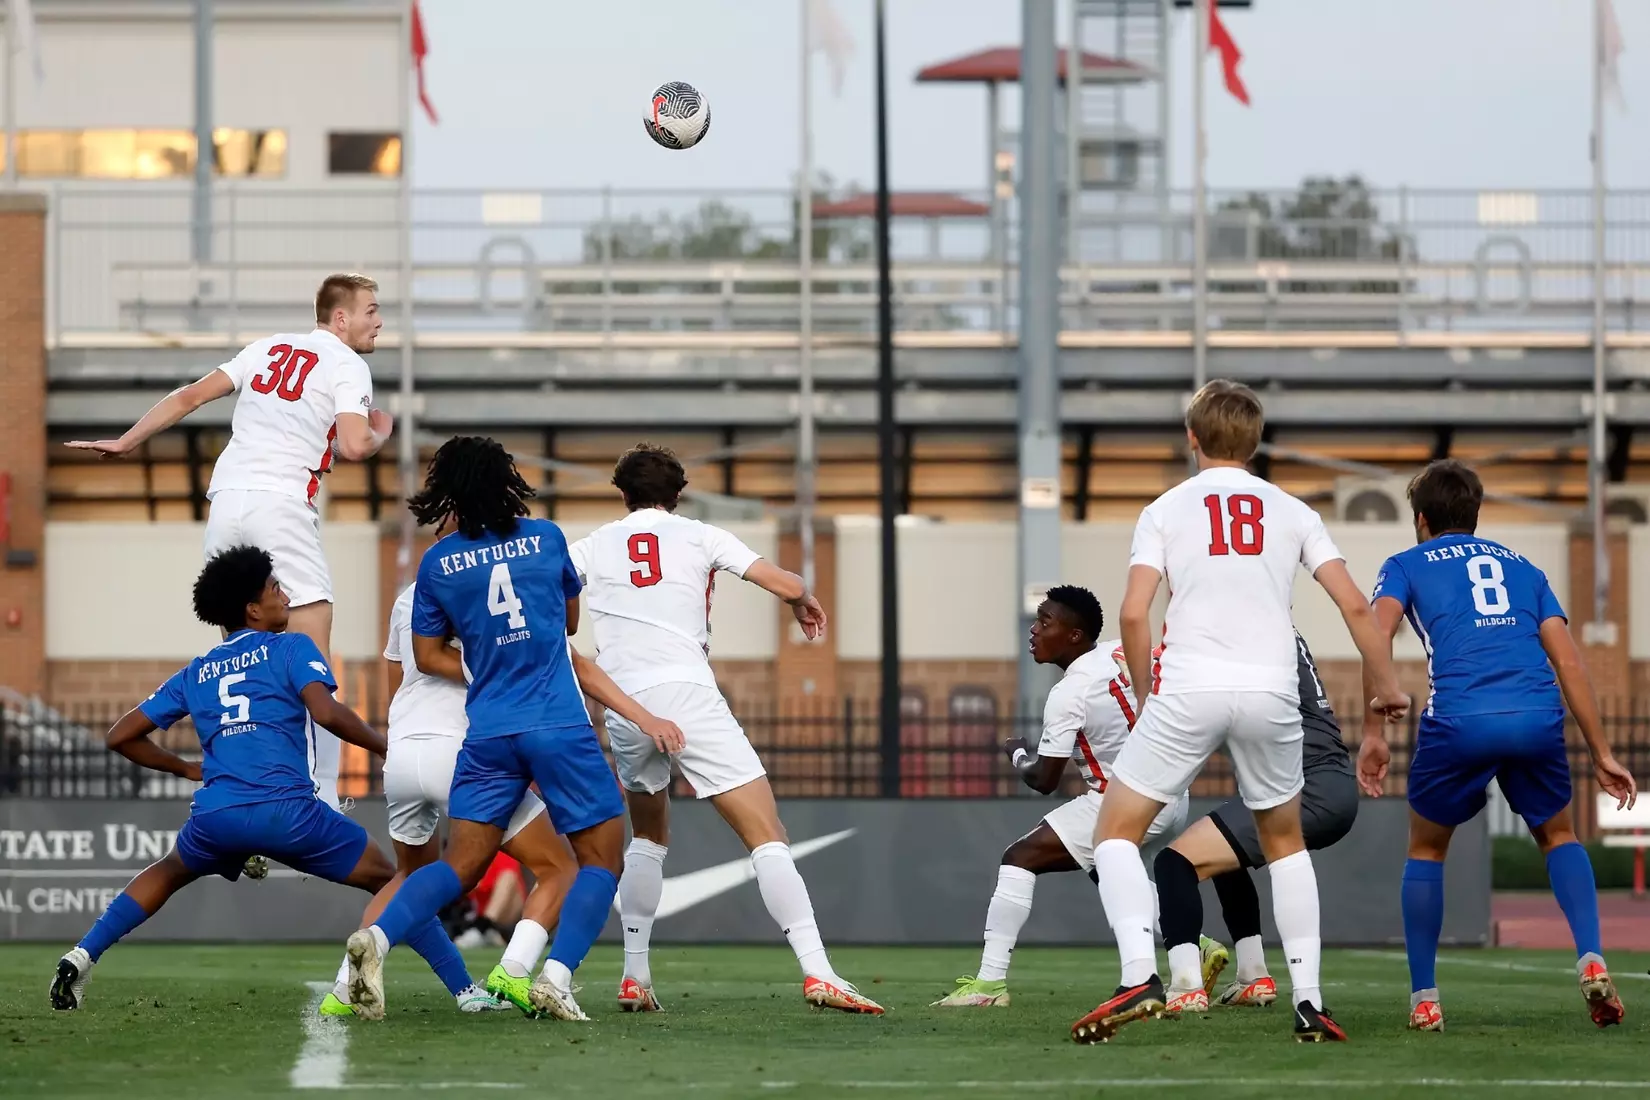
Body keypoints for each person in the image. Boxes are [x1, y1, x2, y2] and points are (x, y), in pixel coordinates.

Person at [1071, 379, 1410, 1046]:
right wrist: (1387, 686)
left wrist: (1146, 697)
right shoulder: (1293, 511)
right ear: (1255, 443)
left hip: (1189, 688)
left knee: (1114, 832)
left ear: (1192, 438)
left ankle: (1141, 971)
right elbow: (1355, 608)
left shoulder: (1165, 508)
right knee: (1283, 846)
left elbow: (1136, 612)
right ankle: (1309, 1001)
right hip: (1269, 690)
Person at [51, 547, 490, 1014]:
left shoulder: (197, 671)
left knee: (168, 870)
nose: (286, 595)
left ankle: (83, 954)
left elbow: (121, 735)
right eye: (275, 588)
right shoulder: (290, 647)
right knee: (398, 879)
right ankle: (465, 991)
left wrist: (187, 769)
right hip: (289, 813)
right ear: (253, 609)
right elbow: (326, 712)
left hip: (217, 815)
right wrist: (386, 746)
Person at [342, 436, 683, 1023]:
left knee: (457, 867)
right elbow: (569, 622)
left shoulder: (438, 563)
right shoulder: (547, 538)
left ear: (446, 491)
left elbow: (424, 654)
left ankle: (377, 939)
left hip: (487, 733)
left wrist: (482, 657)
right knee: (601, 860)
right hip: (556, 722)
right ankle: (555, 976)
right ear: (508, 480)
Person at [569, 444, 883, 1015]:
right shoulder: (699, 535)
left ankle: (634, 975)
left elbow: (554, 589)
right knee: (767, 833)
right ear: (678, 494)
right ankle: (818, 972)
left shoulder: (592, 545)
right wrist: (801, 598)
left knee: (647, 835)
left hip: (623, 699)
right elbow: (784, 582)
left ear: (622, 493)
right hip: (686, 690)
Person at [65, 273, 394, 810]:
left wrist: (128, 441)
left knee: (240, 657)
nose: (380, 321)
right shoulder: (346, 363)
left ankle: (244, 787)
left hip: (225, 505)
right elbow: (357, 445)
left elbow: (191, 395)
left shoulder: (265, 348)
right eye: (373, 310)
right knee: (311, 660)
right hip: (281, 504)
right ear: (341, 318)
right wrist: (383, 428)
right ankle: (321, 797)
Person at [1358, 459, 1637, 1032]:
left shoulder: (1405, 563)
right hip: (1536, 715)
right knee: (1559, 834)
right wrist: (1603, 751)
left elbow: (1374, 633)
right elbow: (1569, 661)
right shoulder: (1525, 568)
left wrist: (1373, 731)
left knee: (1427, 851)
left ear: (1421, 518)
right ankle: (1591, 959)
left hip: (1460, 717)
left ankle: (1425, 999)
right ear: (1475, 514)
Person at [932, 586, 1186, 1008]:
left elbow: (1045, 779)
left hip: (1118, 800)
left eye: (1045, 621)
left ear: (1074, 636)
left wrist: (1016, 754)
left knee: (1019, 858)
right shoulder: (1118, 653)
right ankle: (1195, 942)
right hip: (1172, 793)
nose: (1033, 630)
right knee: (1113, 876)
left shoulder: (1070, 693)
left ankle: (988, 985)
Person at [1153, 630, 1359, 1014]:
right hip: (1327, 782)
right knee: (1224, 860)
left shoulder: (1246, 633)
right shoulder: (1276, 628)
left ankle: (1185, 987)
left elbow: (1209, 710)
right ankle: (1253, 975)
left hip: (1303, 787)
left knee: (1174, 862)